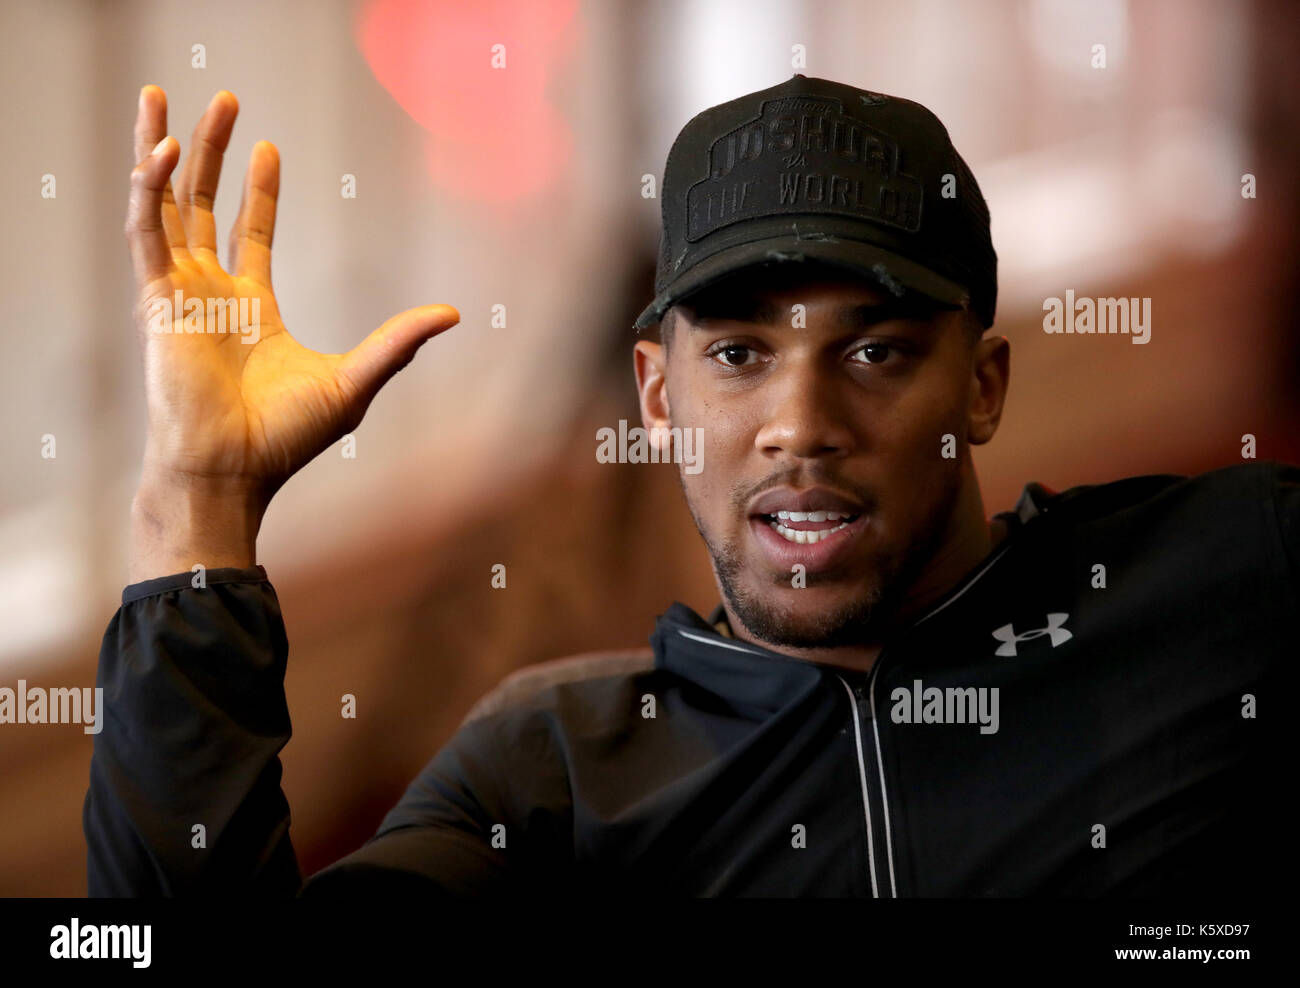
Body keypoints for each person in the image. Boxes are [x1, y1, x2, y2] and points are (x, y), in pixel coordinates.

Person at [87, 74, 1290, 897]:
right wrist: (199, 504)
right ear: (658, 401)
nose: (799, 429)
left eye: (873, 352)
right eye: (737, 355)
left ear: (981, 387)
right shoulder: (549, 773)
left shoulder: (1232, 581)